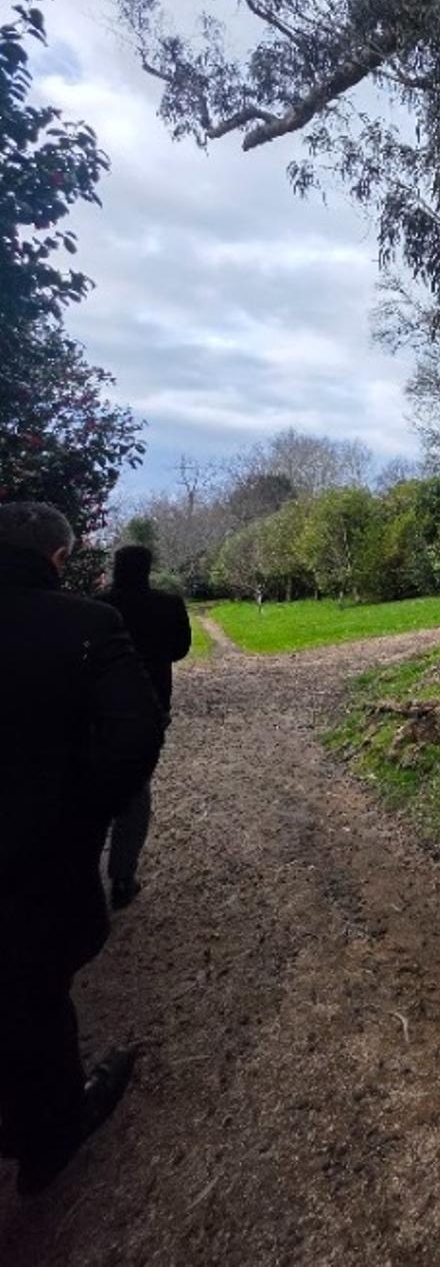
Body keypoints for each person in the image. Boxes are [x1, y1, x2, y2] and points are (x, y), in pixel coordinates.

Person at [0, 502, 164, 1198]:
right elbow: (134, 737)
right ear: (60, 557)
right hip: (35, 849)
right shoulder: (84, 624)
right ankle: (50, 1130)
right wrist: (80, 815)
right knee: (36, 986)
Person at [99, 544, 192, 908]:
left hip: (100, 704)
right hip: (150, 701)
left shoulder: (98, 605)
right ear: (148, 569)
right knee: (136, 786)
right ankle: (122, 876)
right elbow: (180, 649)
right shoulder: (167, 604)